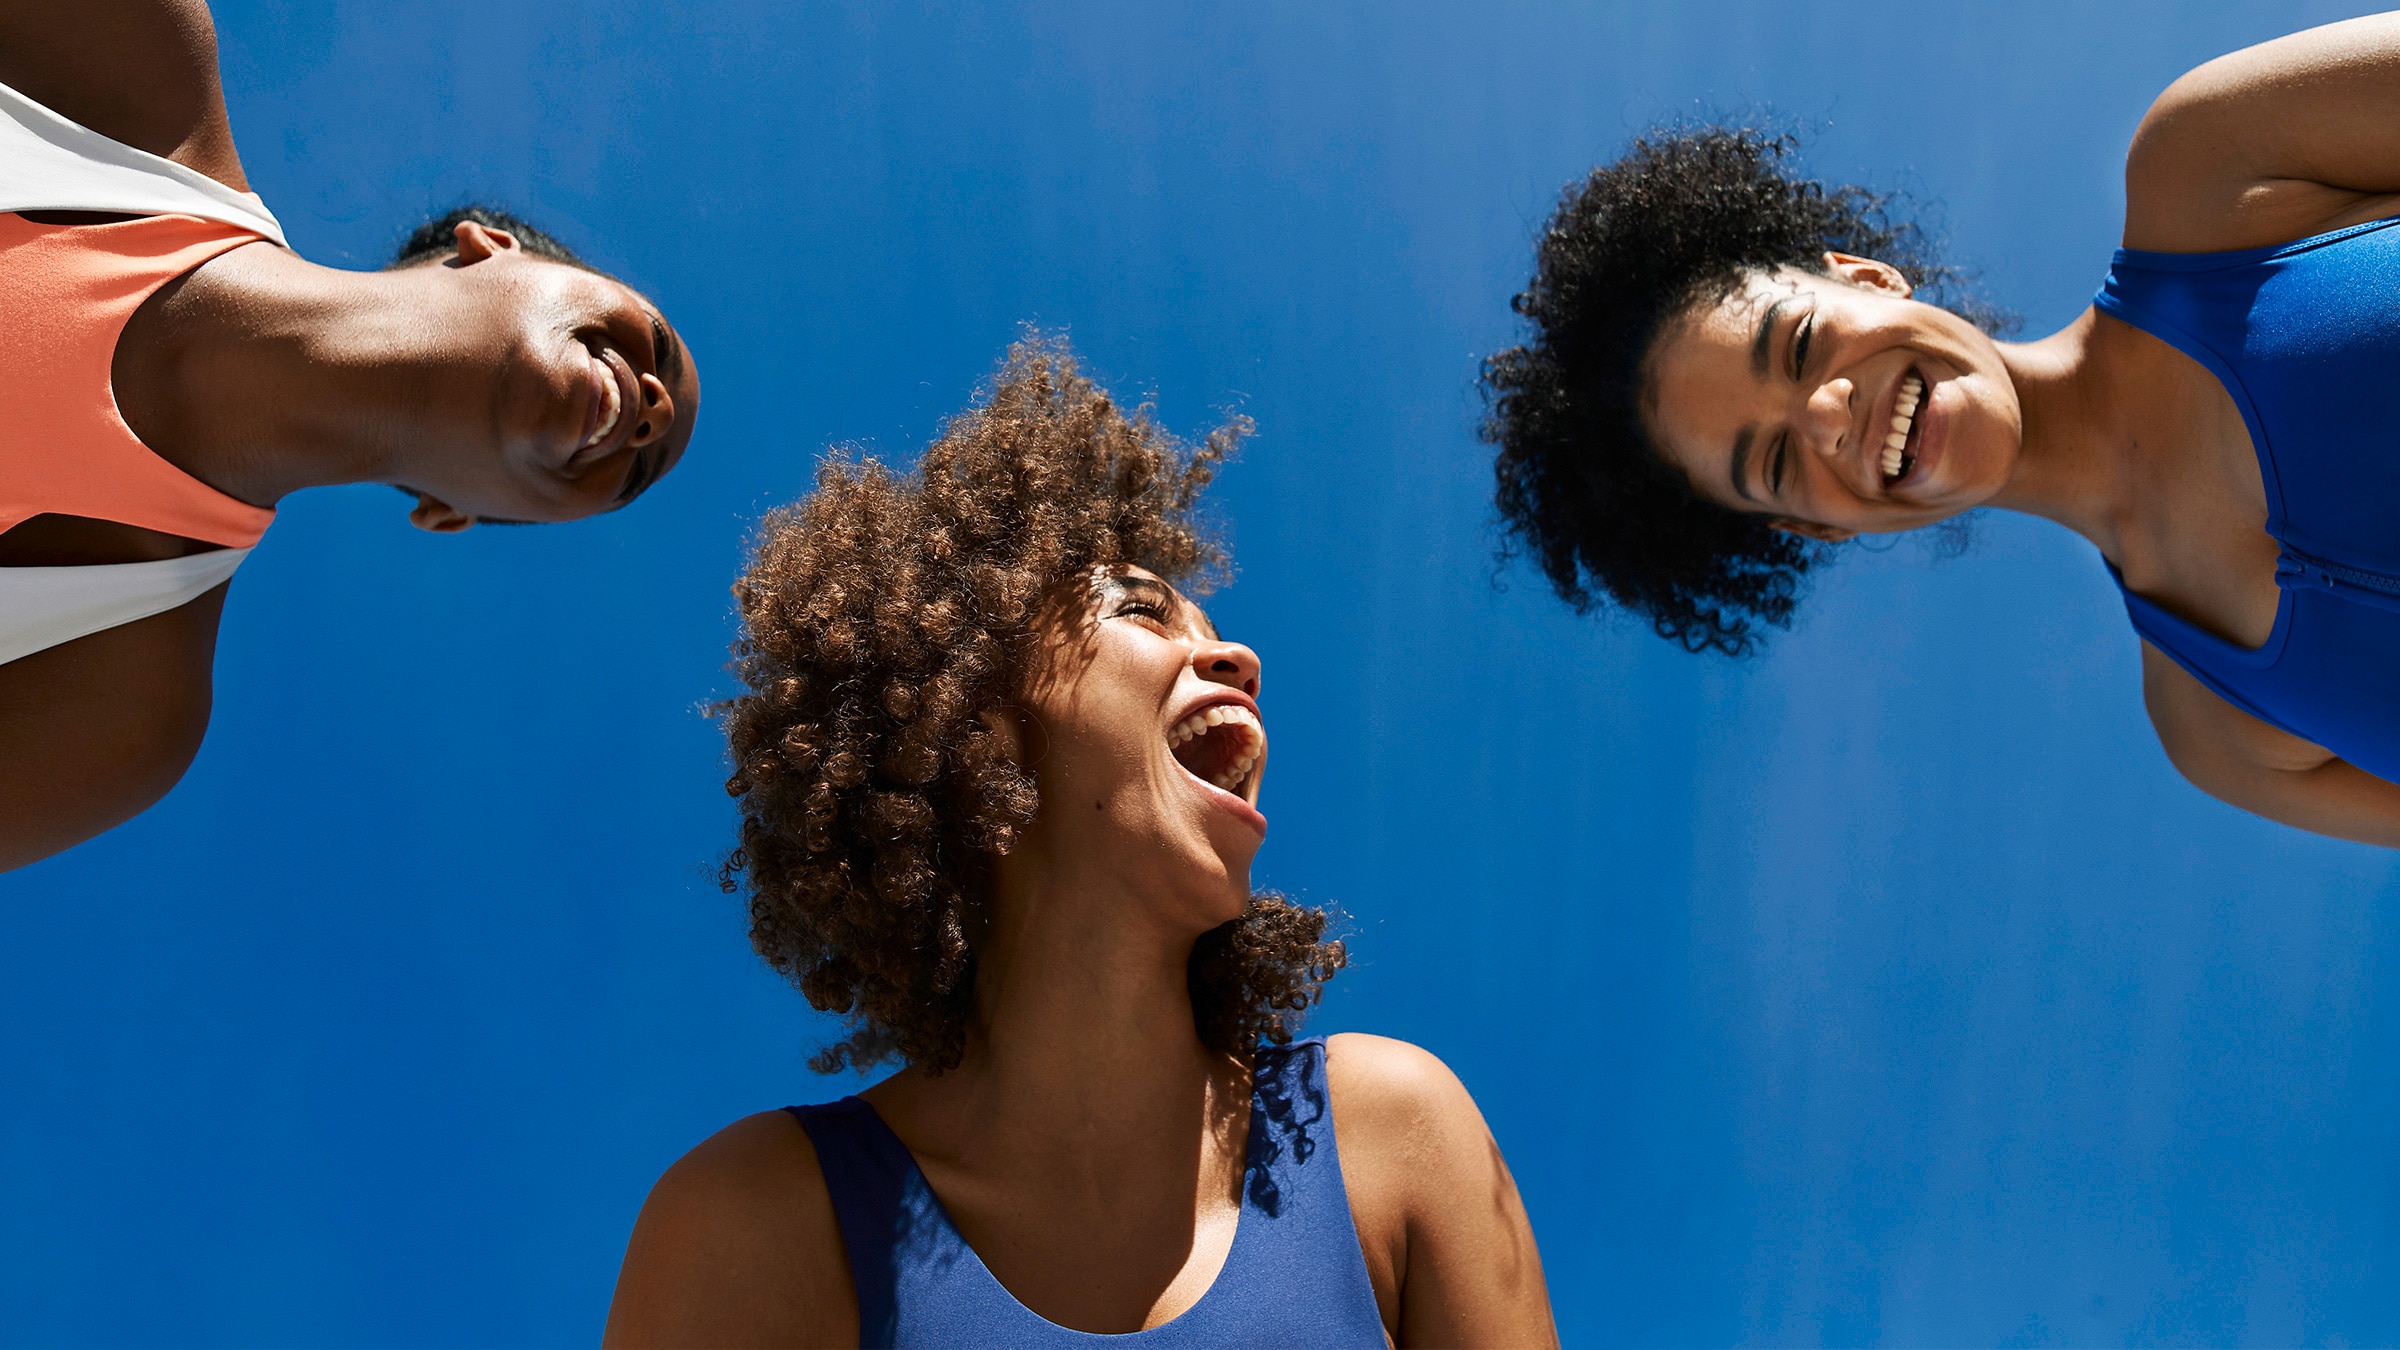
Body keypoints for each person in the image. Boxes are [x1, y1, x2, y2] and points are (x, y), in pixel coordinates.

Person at [603, 341, 1555, 1348]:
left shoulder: (1391, 1137)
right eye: (1143, 612)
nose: (1238, 657)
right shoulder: (753, 1223)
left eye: (1215, 630)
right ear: (972, 719)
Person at [1484, 15, 2400, 848]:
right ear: (1813, 527)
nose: (1829, 416)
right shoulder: (2219, 733)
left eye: (1800, 343)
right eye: (1770, 461)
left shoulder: (2218, 159)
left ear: (1867, 276)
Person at [0, 1, 701, 872]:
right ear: (491, 246)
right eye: (657, 346)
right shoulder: (141, 59)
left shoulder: (120, 704)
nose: (651, 413)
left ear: (450, 515)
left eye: (636, 475)